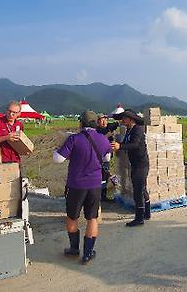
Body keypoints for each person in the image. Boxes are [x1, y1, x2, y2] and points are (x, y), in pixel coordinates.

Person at [53, 111, 112, 264]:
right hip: (95, 185)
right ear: (96, 123)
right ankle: (87, 253)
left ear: (81, 123)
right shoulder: (103, 140)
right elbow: (107, 158)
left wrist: (56, 150)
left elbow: (58, 159)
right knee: (92, 218)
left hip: (76, 185)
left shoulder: (74, 139)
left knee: (72, 217)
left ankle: (74, 249)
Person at [110, 109, 150, 227]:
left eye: (124, 118)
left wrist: (120, 146)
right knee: (142, 189)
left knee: (138, 191)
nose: (122, 120)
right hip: (136, 164)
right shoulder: (129, 130)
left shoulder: (137, 129)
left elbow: (135, 144)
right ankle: (147, 213)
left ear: (131, 119)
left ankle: (139, 218)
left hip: (141, 164)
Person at [96, 114, 119, 201]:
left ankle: (103, 195)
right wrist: (108, 135)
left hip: (108, 156)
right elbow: (99, 140)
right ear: (98, 122)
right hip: (101, 157)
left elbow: (117, 123)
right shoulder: (97, 131)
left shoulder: (109, 126)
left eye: (105, 119)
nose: (104, 122)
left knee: (105, 176)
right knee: (103, 176)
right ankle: (101, 196)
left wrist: (113, 115)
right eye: (101, 120)